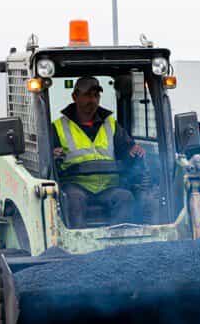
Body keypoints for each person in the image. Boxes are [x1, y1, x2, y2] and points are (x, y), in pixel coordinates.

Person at [51, 75, 144, 227]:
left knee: (125, 197)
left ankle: (118, 244)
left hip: (108, 187)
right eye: (87, 95)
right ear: (75, 96)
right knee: (73, 200)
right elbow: (48, 157)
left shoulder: (111, 124)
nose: (92, 100)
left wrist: (133, 150)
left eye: (96, 95)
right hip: (76, 185)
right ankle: (78, 246)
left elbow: (127, 148)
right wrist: (53, 153)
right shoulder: (58, 127)